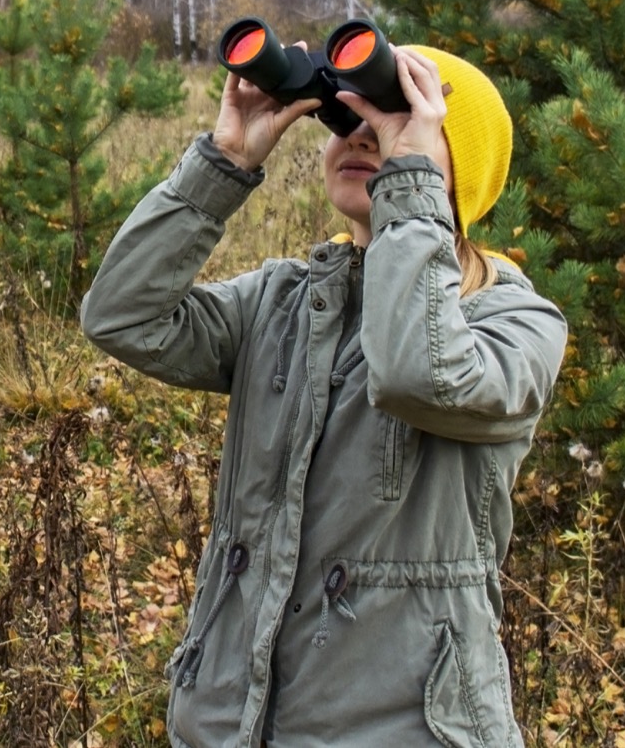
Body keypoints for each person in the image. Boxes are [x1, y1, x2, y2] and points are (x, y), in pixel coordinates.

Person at [81, 42, 568, 748]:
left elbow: (416, 371)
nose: (363, 135)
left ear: (461, 173)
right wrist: (224, 163)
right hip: (230, 722)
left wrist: (409, 191)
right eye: (350, 116)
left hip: (402, 730)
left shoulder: (515, 322)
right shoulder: (284, 300)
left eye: (399, 121)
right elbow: (122, 314)